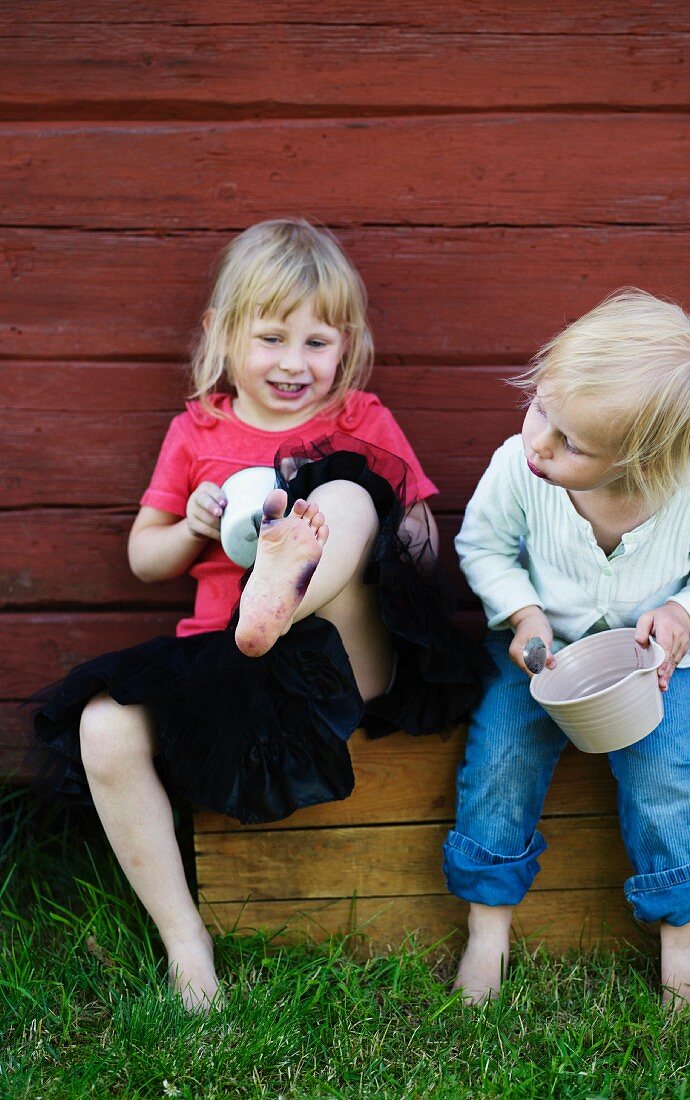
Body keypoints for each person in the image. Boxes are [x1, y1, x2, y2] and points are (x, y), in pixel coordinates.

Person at [32, 218, 481, 1011]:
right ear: (222, 333)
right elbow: (143, 558)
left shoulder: (358, 420)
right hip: (229, 660)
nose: (292, 362)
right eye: (271, 338)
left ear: (347, 345)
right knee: (102, 723)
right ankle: (184, 941)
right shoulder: (196, 430)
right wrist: (193, 529)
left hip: (342, 656)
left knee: (343, 489)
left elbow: (419, 540)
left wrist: (391, 520)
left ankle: (288, 586)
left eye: (317, 342)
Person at [442, 289, 690, 1007]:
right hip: (540, 650)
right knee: (500, 755)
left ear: (643, 463)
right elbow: (484, 546)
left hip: (646, 665)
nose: (538, 442)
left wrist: (683, 612)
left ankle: (682, 923)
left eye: (570, 443)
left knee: (662, 777)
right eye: (540, 412)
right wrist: (522, 613)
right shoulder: (517, 470)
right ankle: (487, 920)